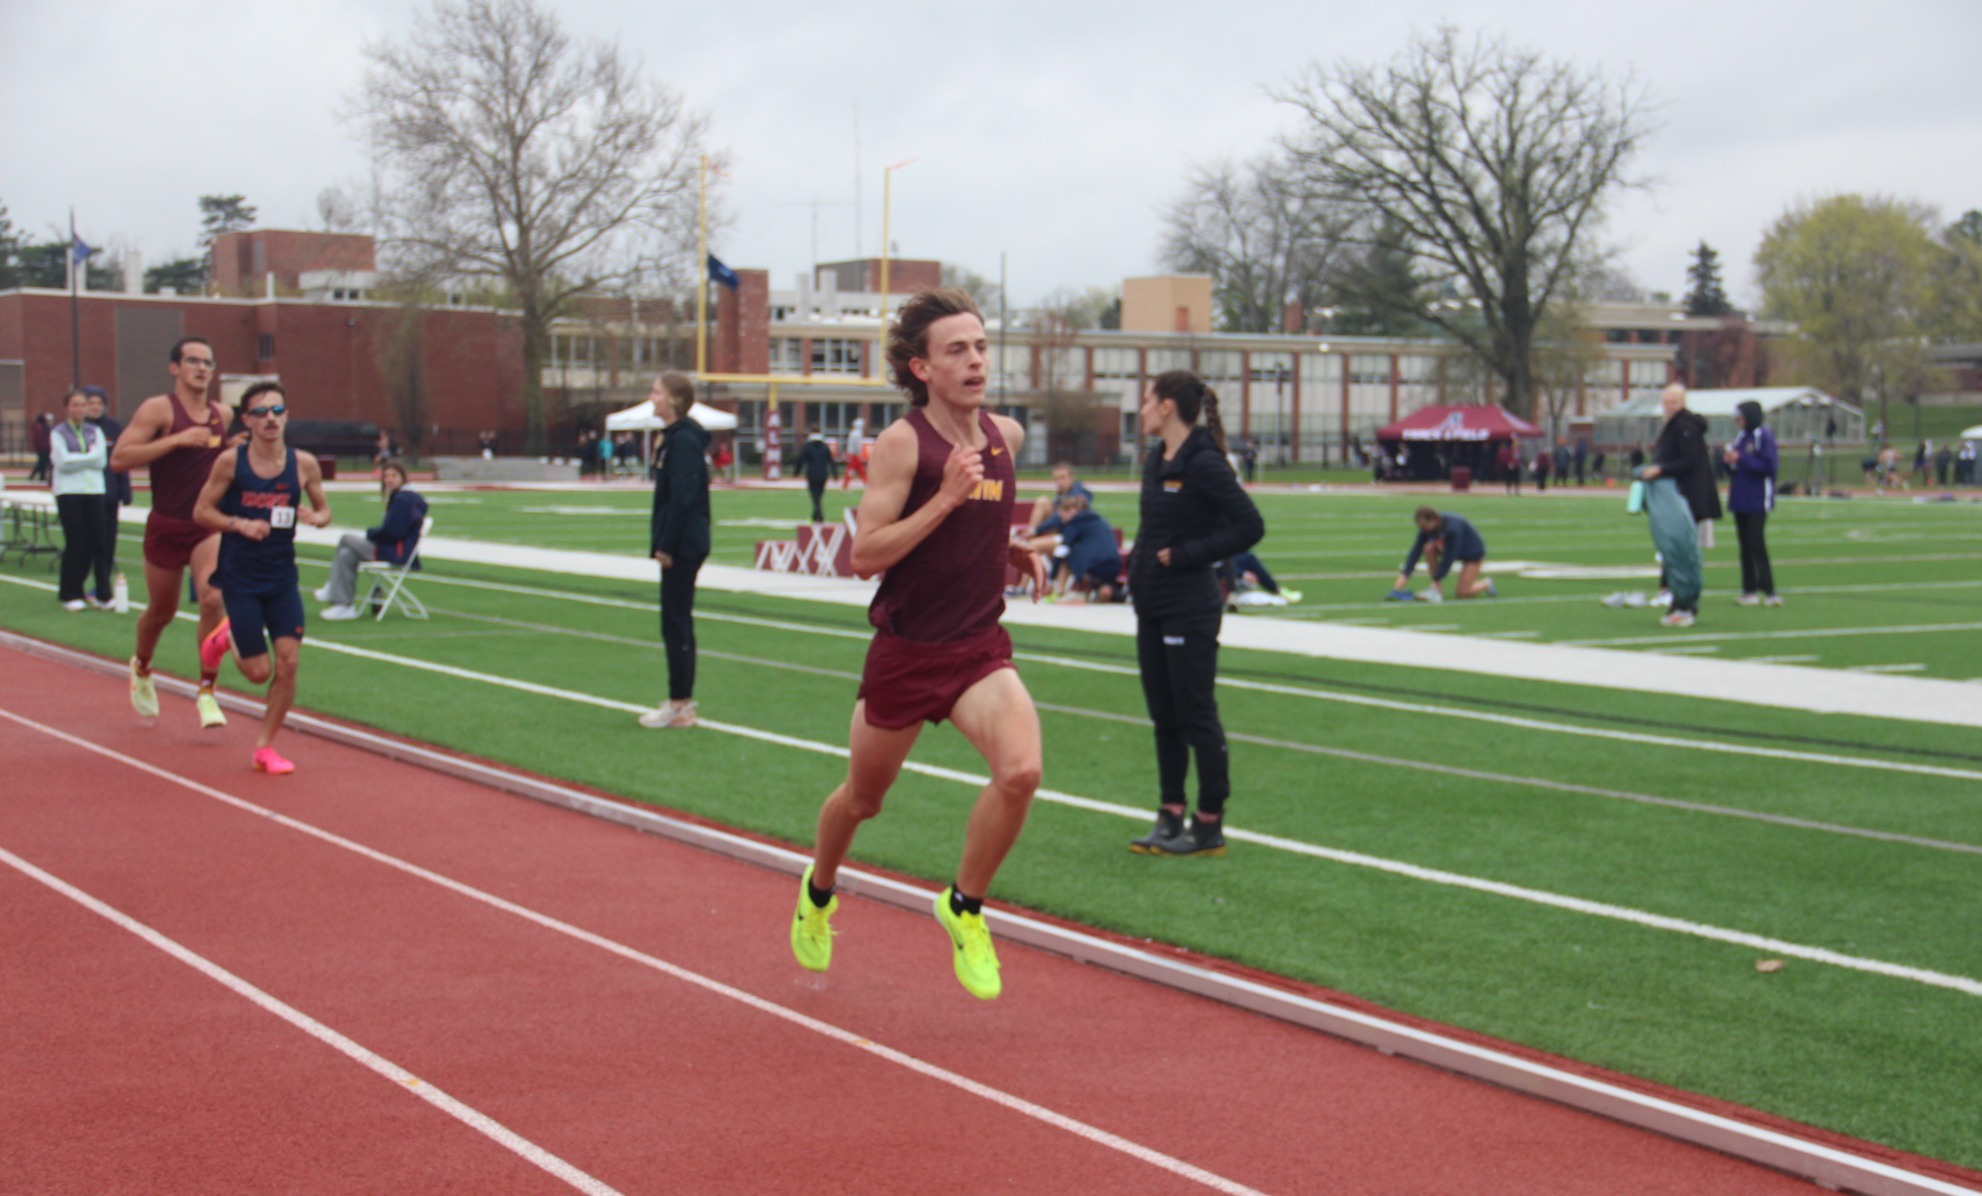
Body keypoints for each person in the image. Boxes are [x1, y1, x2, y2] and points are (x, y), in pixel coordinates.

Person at [788, 287, 1046, 1002]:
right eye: (956, 349)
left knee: (1021, 773)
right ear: (921, 368)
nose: (974, 360)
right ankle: (819, 888)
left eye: (981, 345)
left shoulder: (1007, 438)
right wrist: (944, 499)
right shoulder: (906, 444)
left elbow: (974, 533)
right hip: (906, 653)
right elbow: (866, 555)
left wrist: (1010, 548)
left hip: (976, 651)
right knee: (862, 801)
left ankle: (963, 907)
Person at [1126, 369, 1264, 858]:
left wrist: (1188, 554)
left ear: (1166, 407)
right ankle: (1169, 814)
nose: (1141, 409)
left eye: (1146, 400)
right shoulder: (1153, 459)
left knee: (1195, 713)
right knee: (1163, 715)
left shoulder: (1205, 463)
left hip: (1191, 607)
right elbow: (1151, 531)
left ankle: (1209, 822)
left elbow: (1249, 525)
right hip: (1152, 605)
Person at [190, 382, 332, 774]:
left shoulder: (303, 464)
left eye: (277, 410)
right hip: (240, 577)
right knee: (258, 673)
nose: (270, 417)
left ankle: (264, 747)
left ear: (286, 416)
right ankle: (224, 636)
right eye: (261, 412)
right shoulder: (231, 463)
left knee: (288, 663)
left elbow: (323, 509)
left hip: (282, 578)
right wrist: (238, 524)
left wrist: (317, 518)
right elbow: (202, 512)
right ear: (248, 420)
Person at [110, 336, 239, 728]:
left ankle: (206, 690)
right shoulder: (158, 409)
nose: (202, 368)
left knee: (212, 598)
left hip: (206, 524)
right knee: (161, 612)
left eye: (208, 362)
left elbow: (222, 462)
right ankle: (143, 666)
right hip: (166, 524)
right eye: (193, 361)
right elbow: (119, 458)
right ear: (175, 368)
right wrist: (177, 439)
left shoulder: (223, 413)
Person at [638, 373, 711, 730]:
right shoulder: (674, 439)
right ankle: (680, 701)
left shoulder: (682, 442)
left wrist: (666, 544)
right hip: (681, 540)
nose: (651, 397)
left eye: (657, 392)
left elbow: (682, 498)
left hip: (683, 543)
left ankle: (680, 703)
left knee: (676, 621)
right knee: (675, 621)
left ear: (673, 400)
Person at [1637, 383, 1720, 627]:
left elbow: (1690, 461)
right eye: (1666, 402)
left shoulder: (1685, 427)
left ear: (1682, 403)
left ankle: (1687, 605)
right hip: (1677, 498)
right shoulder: (1674, 426)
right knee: (1672, 551)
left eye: (1674, 402)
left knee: (1682, 553)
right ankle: (1677, 601)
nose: (1669, 406)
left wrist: (1660, 469)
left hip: (1686, 497)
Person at [316, 461, 428, 619]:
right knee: (346, 555)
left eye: (393, 476)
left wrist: (371, 533)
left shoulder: (404, 499)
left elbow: (394, 531)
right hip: (391, 548)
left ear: (403, 477)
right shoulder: (402, 497)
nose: (389, 479)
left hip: (396, 552)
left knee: (346, 538)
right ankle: (344, 606)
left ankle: (331, 589)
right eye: (386, 476)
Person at [50, 389, 110, 612]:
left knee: (99, 543)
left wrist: (79, 459)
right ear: (67, 407)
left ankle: (104, 594)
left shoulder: (95, 431)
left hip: (94, 490)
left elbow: (101, 460)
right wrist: (87, 458)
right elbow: (62, 462)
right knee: (76, 542)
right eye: (75, 405)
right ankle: (70, 592)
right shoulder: (58, 432)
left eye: (82, 405)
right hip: (68, 492)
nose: (79, 409)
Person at [1724, 399, 1781, 608]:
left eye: (1741, 417)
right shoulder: (1741, 437)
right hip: (1740, 498)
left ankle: (1770, 590)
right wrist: (1728, 462)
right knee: (1744, 546)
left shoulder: (1763, 436)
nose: (1738, 421)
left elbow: (1769, 465)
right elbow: (1737, 467)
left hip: (1757, 498)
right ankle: (1749, 590)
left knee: (1757, 543)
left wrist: (1742, 459)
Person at [84, 386, 130, 606]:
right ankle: (80, 585)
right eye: (91, 403)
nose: (95, 407)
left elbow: (121, 460)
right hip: (86, 494)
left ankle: (101, 586)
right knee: (88, 542)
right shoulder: (79, 429)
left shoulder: (113, 427)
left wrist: (125, 489)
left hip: (109, 495)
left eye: (99, 403)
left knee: (108, 543)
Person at [1389, 506, 1496, 602]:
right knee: (1429, 548)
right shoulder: (1427, 529)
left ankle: (1486, 583)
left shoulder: (1452, 529)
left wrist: (1436, 579)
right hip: (1451, 549)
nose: (1423, 530)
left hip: (1472, 552)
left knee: (1463, 593)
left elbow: (1449, 558)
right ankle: (1437, 591)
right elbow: (1416, 550)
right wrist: (1405, 574)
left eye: (1425, 527)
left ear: (1433, 520)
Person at [1040, 493, 1120, 601]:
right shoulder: (1097, 520)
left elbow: (1061, 552)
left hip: (1094, 566)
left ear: (1073, 510)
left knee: (1066, 557)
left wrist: (1051, 579)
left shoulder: (1074, 524)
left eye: (1062, 515)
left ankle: (1059, 592)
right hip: (1114, 564)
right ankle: (1108, 592)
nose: (1062, 520)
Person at [1026, 460, 1094, 531]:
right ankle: (1031, 532)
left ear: (1071, 478)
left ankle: (1030, 532)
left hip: (1074, 528)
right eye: (1056, 479)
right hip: (1063, 525)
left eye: (1063, 478)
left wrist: (1036, 530)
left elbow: (1063, 513)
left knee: (1043, 502)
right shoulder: (1063, 493)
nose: (1059, 482)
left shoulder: (1080, 491)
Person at [794, 425, 837, 523]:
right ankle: (815, 517)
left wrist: (796, 472)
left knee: (815, 497)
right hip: (823, 475)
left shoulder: (807, 446)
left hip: (811, 474)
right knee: (818, 497)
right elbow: (831, 461)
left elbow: (800, 460)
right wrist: (835, 475)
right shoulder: (825, 447)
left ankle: (820, 516)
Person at [840, 416, 868, 488]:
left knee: (857, 470)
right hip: (855, 454)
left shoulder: (853, 432)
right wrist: (859, 453)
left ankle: (864, 482)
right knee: (854, 470)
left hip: (853, 454)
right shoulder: (857, 434)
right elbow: (857, 445)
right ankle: (846, 484)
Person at [29, 412, 54, 482]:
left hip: (41, 447)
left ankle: (41, 476)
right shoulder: (41, 427)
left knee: (42, 462)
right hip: (44, 447)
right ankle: (35, 475)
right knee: (42, 462)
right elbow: (44, 438)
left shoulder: (38, 427)